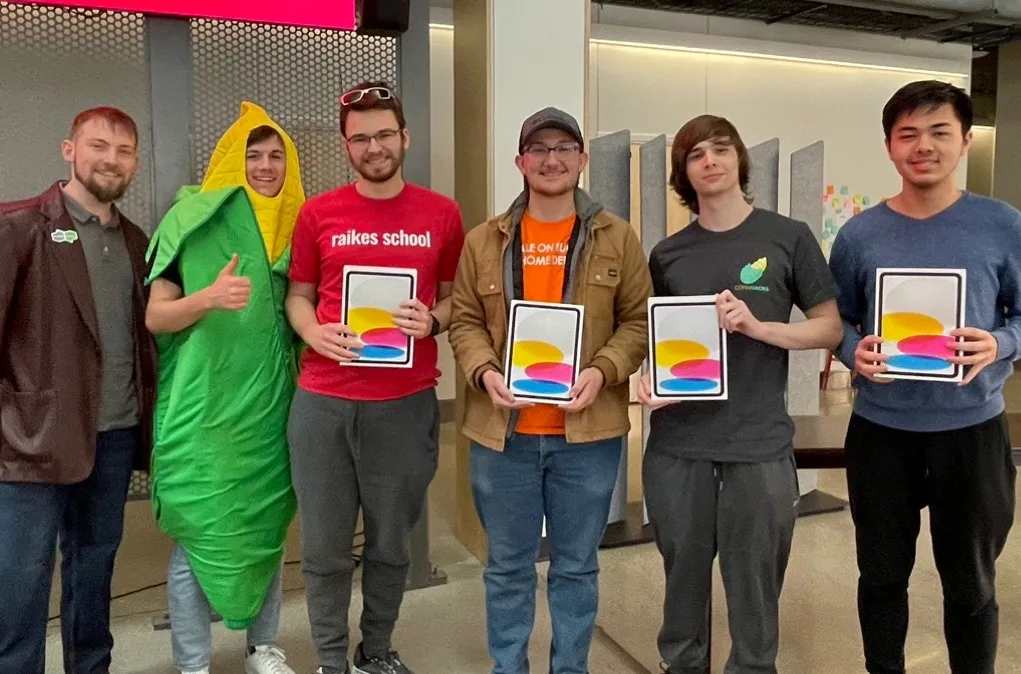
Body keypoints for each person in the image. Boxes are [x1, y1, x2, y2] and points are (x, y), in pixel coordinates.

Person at [448, 107, 652, 674]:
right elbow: (464, 320)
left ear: (582, 160)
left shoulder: (618, 237)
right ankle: (508, 667)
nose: (552, 159)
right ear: (520, 162)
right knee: (508, 567)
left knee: (576, 567)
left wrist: (603, 371)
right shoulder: (484, 240)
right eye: (539, 149)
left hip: (587, 437)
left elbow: (638, 321)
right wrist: (486, 370)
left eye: (564, 148)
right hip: (503, 435)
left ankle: (571, 668)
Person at [638, 114, 842, 674]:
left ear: (739, 160)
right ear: (684, 172)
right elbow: (656, 340)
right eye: (695, 153)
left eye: (720, 149)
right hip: (679, 444)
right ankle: (682, 665)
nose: (709, 160)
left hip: (759, 441)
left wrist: (760, 328)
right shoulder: (668, 253)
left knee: (755, 581)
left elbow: (829, 328)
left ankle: (754, 668)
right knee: (682, 575)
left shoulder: (787, 236)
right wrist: (648, 377)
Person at [829, 80, 1021, 674]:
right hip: (881, 431)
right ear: (889, 146)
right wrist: (852, 350)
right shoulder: (859, 235)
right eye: (908, 134)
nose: (924, 146)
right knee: (881, 577)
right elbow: (834, 320)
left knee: (970, 584)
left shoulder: (1002, 225)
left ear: (964, 140)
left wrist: (1003, 342)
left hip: (973, 431)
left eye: (939, 132)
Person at [285, 81, 465, 674]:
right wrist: (312, 332)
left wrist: (431, 321)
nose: (374, 146)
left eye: (384, 133)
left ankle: (377, 651)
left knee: (391, 544)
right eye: (360, 137)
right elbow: (299, 296)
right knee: (325, 549)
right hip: (324, 403)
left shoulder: (441, 214)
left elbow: (453, 299)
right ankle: (332, 663)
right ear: (347, 146)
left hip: (405, 402)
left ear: (404, 137)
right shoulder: (318, 212)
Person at [144, 102, 304, 674]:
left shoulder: (301, 226)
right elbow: (157, 318)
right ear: (231, 161)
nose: (264, 167)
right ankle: (193, 664)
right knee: (200, 534)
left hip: (271, 408)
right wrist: (206, 299)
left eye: (275, 156)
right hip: (207, 411)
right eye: (252, 155)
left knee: (264, 531)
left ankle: (264, 649)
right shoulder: (190, 221)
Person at [0, 107, 157, 673]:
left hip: (112, 438)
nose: (110, 160)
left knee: (94, 572)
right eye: (98, 146)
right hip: (30, 445)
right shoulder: (19, 226)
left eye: (123, 150)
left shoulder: (137, 242)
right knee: (21, 584)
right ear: (70, 150)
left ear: (135, 161)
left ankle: (91, 667)